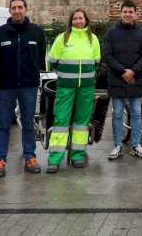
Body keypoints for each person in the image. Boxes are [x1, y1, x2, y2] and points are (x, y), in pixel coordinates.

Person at [0, 0, 47, 177]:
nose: (17, 11)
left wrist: (32, 75)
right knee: (3, 124)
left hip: (28, 86)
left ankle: (30, 157)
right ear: (10, 11)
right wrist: (5, 75)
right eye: (13, 8)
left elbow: (41, 56)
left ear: (25, 9)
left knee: (28, 123)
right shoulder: (0, 33)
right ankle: (0, 159)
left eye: (20, 7)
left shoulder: (36, 32)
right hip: (5, 87)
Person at [45, 9, 100, 173]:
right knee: (61, 122)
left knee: (81, 123)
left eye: (81, 18)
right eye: (75, 18)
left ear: (86, 20)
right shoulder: (62, 38)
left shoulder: (93, 39)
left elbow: (96, 61)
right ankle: (54, 159)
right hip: (65, 88)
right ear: (71, 21)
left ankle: (78, 155)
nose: (78, 21)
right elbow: (52, 61)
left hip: (86, 88)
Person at [102, 0, 142, 159]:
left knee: (137, 114)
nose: (128, 14)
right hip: (117, 79)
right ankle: (117, 146)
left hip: (135, 79)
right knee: (117, 114)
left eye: (131, 12)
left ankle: (136, 145)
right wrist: (123, 71)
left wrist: (133, 72)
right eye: (125, 12)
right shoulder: (111, 32)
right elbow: (107, 55)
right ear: (120, 13)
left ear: (135, 14)